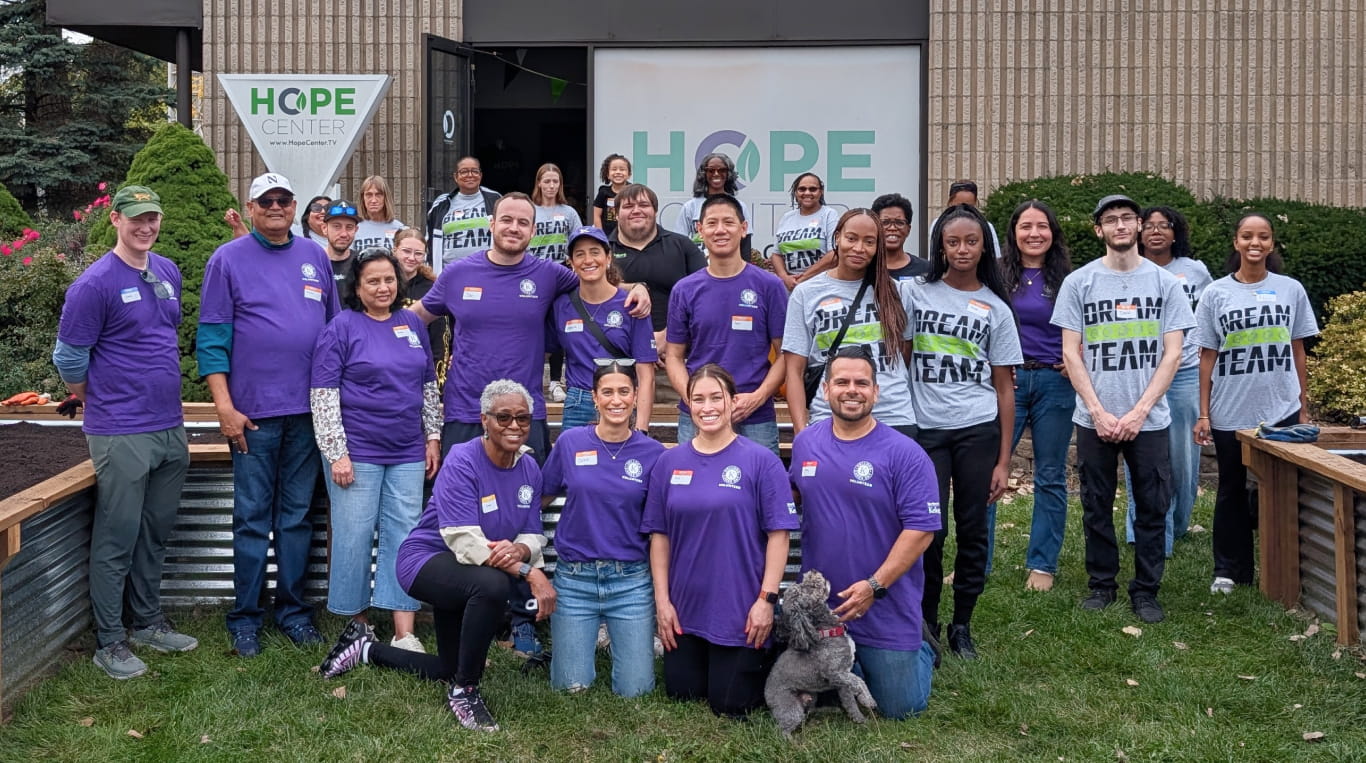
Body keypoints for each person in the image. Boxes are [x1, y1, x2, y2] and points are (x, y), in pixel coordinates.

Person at [319, 380, 556, 733]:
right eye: (503, 417)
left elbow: (533, 531)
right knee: (493, 585)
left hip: (466, 573)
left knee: (449, 666)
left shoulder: (529, 468)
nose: (514, 426)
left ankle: (365, 649)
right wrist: (530, 572)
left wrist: (521, 548)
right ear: (484, 420)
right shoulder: (463, 458)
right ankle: (466, 692)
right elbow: (465, 542)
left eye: (522, 418)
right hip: (427, 561)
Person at [52, 185, 196, 679]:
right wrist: (94, 397)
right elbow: (69, 358)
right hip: (120, 428)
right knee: (117, 537)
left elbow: (163, 335)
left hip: (168, 425)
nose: (146, 226)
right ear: (115, 219)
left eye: (153, 217)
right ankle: (110, 641)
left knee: (154, 533)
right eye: (136, 218)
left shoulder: (167, 270)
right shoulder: (94, 284)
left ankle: (148, 623)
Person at [198, 172, 341, 656]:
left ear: (295, 205)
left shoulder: (313, 256)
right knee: (252, 517)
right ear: (251, 207)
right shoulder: (227, 259)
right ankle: (245, 617)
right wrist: (224, 407)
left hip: (307, 413)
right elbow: (213, 339)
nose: (276, 207)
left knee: (298, 517)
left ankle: (294, 612)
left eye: (283, 199)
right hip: (252, 415)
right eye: (267, 201)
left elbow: (335, 332)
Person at [409, 192, 650, 467]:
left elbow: (593, 280)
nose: (514, 227)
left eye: (523, 222)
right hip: (467, 411)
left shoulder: (549, 274)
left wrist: (637, 288)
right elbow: (414, 319)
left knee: (528, 500)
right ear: (492, 224)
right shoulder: (458, 273)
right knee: (462, 499)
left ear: (533, 231)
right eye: (506, 220)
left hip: (525, 414)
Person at [1051, 194, 1194, 624]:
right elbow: (1071, 353)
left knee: (1153, 504)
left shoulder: (1165, 283)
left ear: (1137, 226)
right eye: (1110, 220)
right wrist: (1096, 410)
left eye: (1127, 218)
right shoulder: (1079, 283)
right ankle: (1102, 584)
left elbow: (1173, 354)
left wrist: (1138, 411)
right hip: (1093, 417)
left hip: (1148, 419)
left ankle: (1146, 590)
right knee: (1096, 503)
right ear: (1099, 230)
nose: (1120, 226)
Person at [790, 347, 941, 718]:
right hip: (823, 608)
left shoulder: (905, 454)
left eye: (862, 383)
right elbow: (789, 500)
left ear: (876, 391)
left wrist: (874, 585)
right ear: (826, 390)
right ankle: (849, 665)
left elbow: (922, 530)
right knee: (817, 692)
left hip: (883, 602)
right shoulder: (806, 442)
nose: (851, 390)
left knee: (898, 707)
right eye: (842, 382)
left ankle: (921, 646)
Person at [642, 364, 797, 717]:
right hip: (685, 610)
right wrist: (662, 603)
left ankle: (773, 658)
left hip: (740, 610)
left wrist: (766, 601)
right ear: (688, 404)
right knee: (682, 694)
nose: (707, 406)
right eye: (698, 399)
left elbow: (779, 535)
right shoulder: (668, 463)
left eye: (716, 397)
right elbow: (660, 537)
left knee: (729, 705)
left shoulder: (761, 462)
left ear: (732, 402)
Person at [310, 248, 442, 654]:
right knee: (354, 535)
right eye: (373, 281)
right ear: (357, 286)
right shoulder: (341, 328)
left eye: (389, 280)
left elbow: (427, 385)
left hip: (406, 449)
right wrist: (336, 453)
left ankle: (404, 630)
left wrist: (432, 436)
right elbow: (323, 394)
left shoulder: (411, 324)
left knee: (404, 536)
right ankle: (358, 624)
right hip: (357, 452)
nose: (382, 287)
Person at [910, 204, 1022, 659]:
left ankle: (962, 624)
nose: (961, 249)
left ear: (985, 248)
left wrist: (1003, 459)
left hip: (977, 430)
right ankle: (927, 621)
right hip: (926, 432)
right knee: (929, 533)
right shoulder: (916, 294)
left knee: (973, 530)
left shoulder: (996, 308)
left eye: (971, 242)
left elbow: (1005, 388)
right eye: (952, 241)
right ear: (940, 245)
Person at [1193, 213, 1317, 594]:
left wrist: (1304, 405)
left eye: (1263, 237)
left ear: (1272, 244)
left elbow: (1298, 352)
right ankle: (1230, 571)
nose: (1255, 243)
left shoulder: (1290, 290)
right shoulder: (1215, 293)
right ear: (1236, 242)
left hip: (1281, 408)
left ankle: (1286, 567)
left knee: (1282, 489)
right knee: (1230, 489)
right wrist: (1203, 412)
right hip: (1231, 410)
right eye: (1247, 236)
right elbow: (1207, 357)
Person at [541, 361, 665, 696]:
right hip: (575, 580)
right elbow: (540, 497)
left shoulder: (654, 454)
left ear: (636, 396)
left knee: (636, 691)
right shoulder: (570, 443)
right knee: (570, 689)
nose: (616, 400)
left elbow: (660, 526)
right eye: (607, 392)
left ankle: (623, 641)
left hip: (630, 582)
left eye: (624, 391)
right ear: (594, 398)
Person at [990, 200, 1074, 592]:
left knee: (1051, 474)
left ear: (1052, 233)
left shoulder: (1069, 280)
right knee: (989, 472)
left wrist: (1076, 359)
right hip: (1009, 381)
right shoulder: (995, 275)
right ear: (1014, 233)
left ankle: (1042, 564)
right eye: (1026, 226)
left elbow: (1090, 324)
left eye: (1042, 226)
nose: (1034, 233)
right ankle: (979, 560)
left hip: (1054, 384)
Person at [664, 194, 787, 455]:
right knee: (692, 491)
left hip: (754, 415)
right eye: (712, 223)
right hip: (697, 416)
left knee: (762, 491)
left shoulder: (769, 286)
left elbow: (786, 355)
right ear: (699, 230)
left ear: (743, 229)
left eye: (729, 222)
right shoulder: (684, 290)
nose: (720, 230)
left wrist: (758, 397)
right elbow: (674, 356)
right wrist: (695, 398)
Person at [1122, 206, 1212, 555]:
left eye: (1165, 226)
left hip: (1184, 373)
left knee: (1181, 460)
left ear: (1176, 233)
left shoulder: (1195, 272)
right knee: (1139, 453)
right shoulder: (1129, 269)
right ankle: (1142, 529)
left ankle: (1175, 524)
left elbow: (1207, 319)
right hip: (1139, 372)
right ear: (1140, 232)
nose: (1157, 232)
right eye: (1150, 226)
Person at [782, 208, 917, 437]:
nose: (859, 248)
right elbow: (794, 370)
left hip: (893, 416)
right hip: (830, 417)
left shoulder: (898, 292)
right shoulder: (806, 294)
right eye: (851, 238)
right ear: (837, 238)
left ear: (878, 247)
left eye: (869, 241)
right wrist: (800, 431)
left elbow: (905, 352)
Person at [549, 226, 657, 430]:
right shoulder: (561, 305)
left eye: (595, 252)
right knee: (574, 461)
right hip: (578, 401)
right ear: (571, 263)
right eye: (579, 254)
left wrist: (641, 428)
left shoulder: (632, 304)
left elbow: (646, 374)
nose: (588, 260)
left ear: (608, 258)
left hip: (621, 401)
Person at [607, 183, 707, 383]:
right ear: (616, 214)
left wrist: (669, 337)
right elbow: (591, 292)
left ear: (654, 210)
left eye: (643, 204)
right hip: (618, 369)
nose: (636, 210)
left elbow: (705, 296)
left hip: (677, 365)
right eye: (628, 206)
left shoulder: (681, 246)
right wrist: (641, 346)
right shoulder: (602, 251)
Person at [792, 192, 929, 284]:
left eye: (899, 222)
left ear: (908, 229)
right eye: (885, 222)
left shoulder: (926, 269)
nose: (892, 228)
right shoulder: (859, 267)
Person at [394, 228, 451, 388]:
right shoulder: (383, 285)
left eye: (418, 253)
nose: (411, 258)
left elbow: (440, 341)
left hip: (420, 372)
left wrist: (437, 385)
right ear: (395, 250)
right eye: (406, 251)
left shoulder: (433, 289)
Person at [672, 153, 755, 255]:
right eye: (711, 170)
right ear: (704, 174)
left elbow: (745, 244)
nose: (716, 174)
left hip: (729, 266)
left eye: (722, 170)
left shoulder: (739, 206)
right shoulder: (690, 207)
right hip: (697, 266)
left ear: (729, 174)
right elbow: (679, 242)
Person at [426, 155, 502, 265]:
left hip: (486, 270)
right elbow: (430, 239)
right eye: (464, 171)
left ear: (480, 175)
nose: (470, 175)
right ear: (456, 177)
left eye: (474, 171)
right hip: (451, 273)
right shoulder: (441, 204)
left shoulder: (495, 200)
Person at [769, 172, 840, 289]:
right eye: (802, 189)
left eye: (813, 189)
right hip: (789, 286)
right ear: (796, 192)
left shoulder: (829, 214)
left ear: (821, 191)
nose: (807, 193)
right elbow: (776, 255)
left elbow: (834, 255)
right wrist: (785, 278)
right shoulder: (787, 218)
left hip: (821, 284)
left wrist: (803, 279)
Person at [925, 180, 1002, 257]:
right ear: (950, 202)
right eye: (953, 242)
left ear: (975, 204)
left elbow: (995, 256)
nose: (962, 210)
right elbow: (932, 255)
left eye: (968, 207)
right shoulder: (939, 224)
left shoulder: (986, 226)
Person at [528, 163, 584, 262]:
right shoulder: (528, 211)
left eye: (555, 181)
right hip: (534, 267)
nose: (552, 186)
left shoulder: (569, 212)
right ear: (539, 183)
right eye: (547, 181)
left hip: (562, 268)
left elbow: (579, 241)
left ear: (560, 184)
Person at [353, 175, 405, 252]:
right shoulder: (353, 228)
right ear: (362, 198)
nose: (373, 200)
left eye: (378, 195)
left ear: (386, 198)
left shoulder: (400, 229)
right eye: (369, 195)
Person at [322, 199, 360, 303]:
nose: (343, 234)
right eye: (337, 227)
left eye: (349, 227)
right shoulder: (314, 262)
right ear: (324, 228)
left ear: (356, 230)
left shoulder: (362, 264)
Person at [592, 153, 631, 236]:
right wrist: (601, 236)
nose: (618, 172)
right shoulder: (603, 192)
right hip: (608, 236)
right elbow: (596, 216)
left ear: (629, 174)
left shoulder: (633, 191)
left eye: (622, 169)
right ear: (608, 175)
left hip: (628, 235)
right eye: (614, 169)